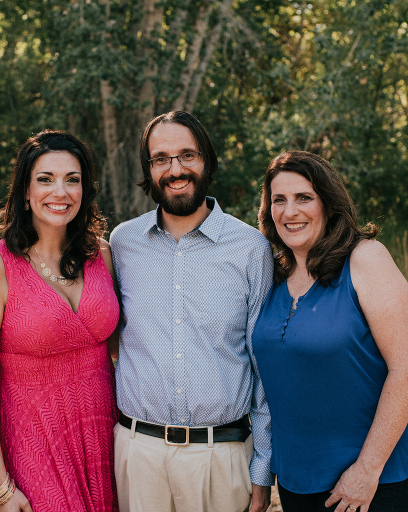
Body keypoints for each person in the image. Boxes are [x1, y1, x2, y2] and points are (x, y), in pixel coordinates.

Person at [109, 110, 274, 512]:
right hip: (138, 454)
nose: (175, 169)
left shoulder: (251, 249)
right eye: (160, 158)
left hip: (221, 458)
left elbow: (264, 367)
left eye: (187, 155)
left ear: (207, 161)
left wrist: (262, 469)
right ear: (149, 171)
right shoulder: (122, 244)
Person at [253, 150, 408, 512]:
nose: (290, 211)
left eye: (304, 198)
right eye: (278, 200)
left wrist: (367, 469)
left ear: (328, 204)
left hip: (372, 477)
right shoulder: (272, 274)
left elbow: (406, 368)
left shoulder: (365, 259)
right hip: (297, 475)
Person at [0, 130, 119, 512]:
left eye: (73, 179)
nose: (60, 192)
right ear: (26, 192)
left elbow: (121, 352)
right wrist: (1, 487)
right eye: (45, 179)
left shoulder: (103, 255)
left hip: (106, 440)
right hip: (35, 442)